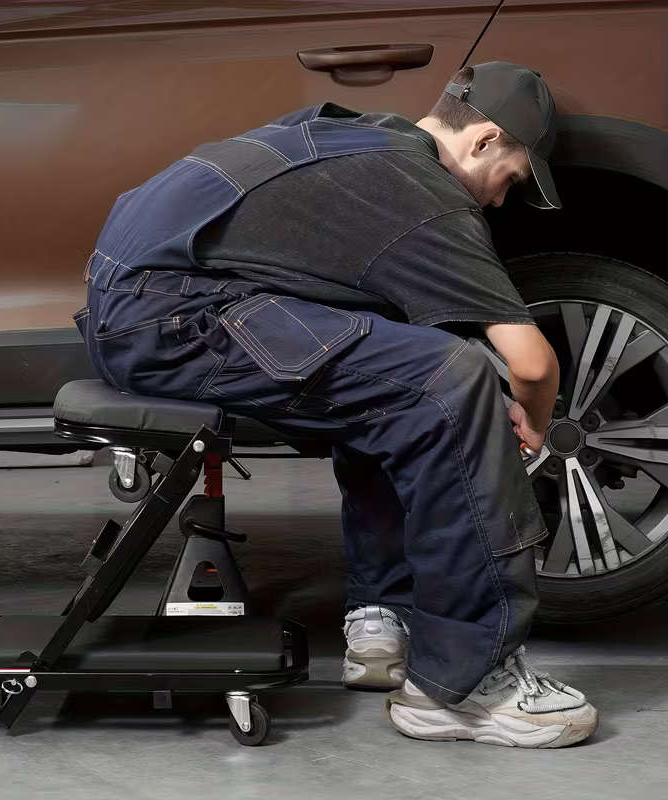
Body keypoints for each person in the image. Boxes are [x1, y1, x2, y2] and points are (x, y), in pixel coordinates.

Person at [76, 61, 598, 748]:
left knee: (394, 372)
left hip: (130, 300)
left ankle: (381, 615)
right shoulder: (428, 196)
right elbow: (532, 364)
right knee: (455, 380)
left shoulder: (349, 133)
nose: (501, 201)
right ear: (483, 140)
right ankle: (467, 687)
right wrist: (534, 421)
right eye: (511, 179)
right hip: (171, 319)